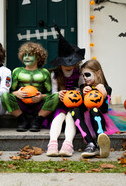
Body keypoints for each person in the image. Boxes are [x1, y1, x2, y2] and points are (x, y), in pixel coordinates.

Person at [1, 42, 59, 132]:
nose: (26, 57)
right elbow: (11, 91)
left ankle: (38, 120)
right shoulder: (17, 71)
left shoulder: (44, 72)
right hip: (21, 104)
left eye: (30, 55)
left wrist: (41, 97)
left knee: (56, 96)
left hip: (38, 105)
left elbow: (49, 93)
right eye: (24, 55)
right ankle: (22, 119)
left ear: (38, 57)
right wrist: (16, 93)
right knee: (4, 96)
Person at [46, 27, 85, 157]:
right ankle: (52, 143)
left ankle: (68, 144)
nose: (69, 66)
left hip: (75, 103)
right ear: (60, 63)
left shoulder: (78, 73)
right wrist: (59, 94)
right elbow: (54, 92)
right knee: (58, 117)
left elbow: (81, 87)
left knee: (71, 117)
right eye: (65, 63)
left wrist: (77, 92)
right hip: (61, 103)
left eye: (72, 63)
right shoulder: (55, 74)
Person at [71, 59, 111, 158]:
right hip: (85, 119)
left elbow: (105, 109)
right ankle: (90, 144)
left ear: (98, 73)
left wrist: (104, 95)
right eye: (83, 76)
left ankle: (100, 142)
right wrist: (83, 95)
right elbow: (80, 108)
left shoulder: (107, 88)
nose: (85, 78)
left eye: (87, 74)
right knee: (74, 111)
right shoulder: (83, 87)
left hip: (99, 117)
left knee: (94, 109)